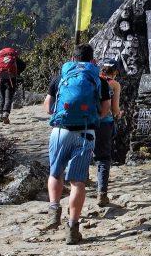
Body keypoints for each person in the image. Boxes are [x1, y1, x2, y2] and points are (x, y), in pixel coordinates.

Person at [42, 44, 111, 244]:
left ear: (73, 58)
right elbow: (105, 110)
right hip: (86, 133)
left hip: (60, 131)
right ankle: (72, 228)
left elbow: (48, 107)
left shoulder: (60, 77)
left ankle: (54, 209)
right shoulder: (99, 79)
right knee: (77, 181)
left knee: (55, 173)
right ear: (92, 60)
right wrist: (90, 116)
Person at [94, 57, 122, 207]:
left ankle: (83, 179)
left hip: (88, 122)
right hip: (105, 123)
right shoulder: (114, 84)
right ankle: (102, 194)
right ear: (115, 71)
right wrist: (119, 114)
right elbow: (115, 109)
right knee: (104, 157)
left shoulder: (93, 80)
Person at [0, 47, 26, 124]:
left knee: (2, 97)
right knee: (8, 97)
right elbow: (23, 65)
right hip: (11, 79)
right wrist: (17, 73)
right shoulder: (14, 58)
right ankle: (6, 114)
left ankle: (0, 115)